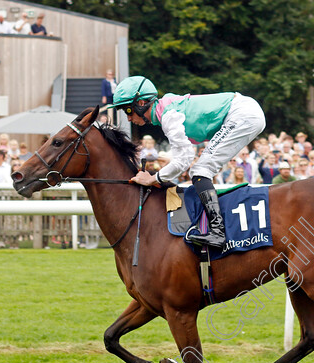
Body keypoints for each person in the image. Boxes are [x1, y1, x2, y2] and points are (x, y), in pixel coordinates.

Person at [113, 76, 266, 248]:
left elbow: (184, 160)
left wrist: (152, 179)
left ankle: (218, 231)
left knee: (201, 170)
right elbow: (183, 156)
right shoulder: (166, 110)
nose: (128, 118)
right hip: (245, 111)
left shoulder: (169, 115)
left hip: (243, 114)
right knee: (200, 169)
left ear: (141, 103)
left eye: (127, 110)